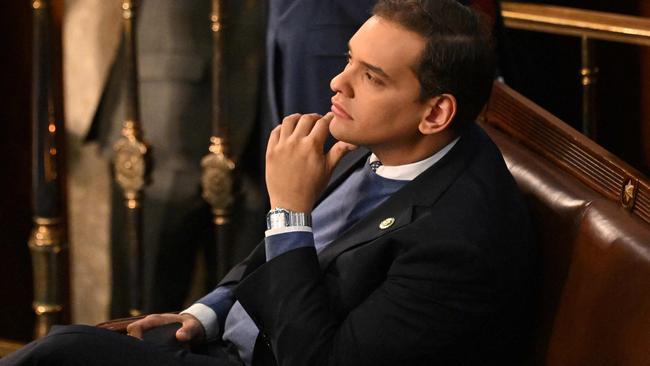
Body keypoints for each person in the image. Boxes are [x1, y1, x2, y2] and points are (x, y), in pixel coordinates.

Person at [1, 0, 535, 365]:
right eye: (350, 59)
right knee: (63, 350)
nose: (336, 82)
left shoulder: (459, 240)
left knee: (62, 354)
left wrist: (289, 212)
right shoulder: (374, 143)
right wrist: (207, 312)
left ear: (436, 112)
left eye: (370, 77)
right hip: (224, 341)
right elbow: (294, 254)